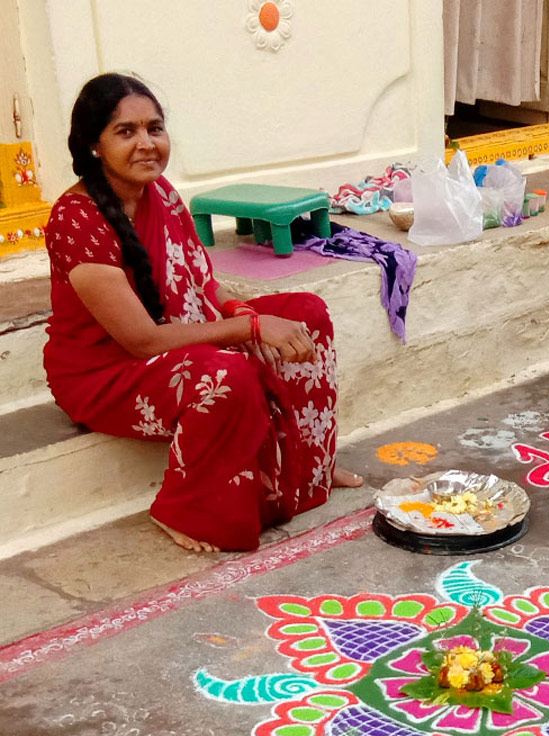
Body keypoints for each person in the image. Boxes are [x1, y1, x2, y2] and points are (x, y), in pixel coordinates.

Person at [42, 73, 362, 553]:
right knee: (224, 372)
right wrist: (251, 325)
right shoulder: (75, 221)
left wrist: (239, 309)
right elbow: (142, 342)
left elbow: (201, 283)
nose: (147, 144)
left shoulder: (162, 194)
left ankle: (303, 466)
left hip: (171, 339)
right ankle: (185, 508)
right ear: (93, 145)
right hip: (105, 371)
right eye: (126, 132)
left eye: (155, 128)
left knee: (306, 312)